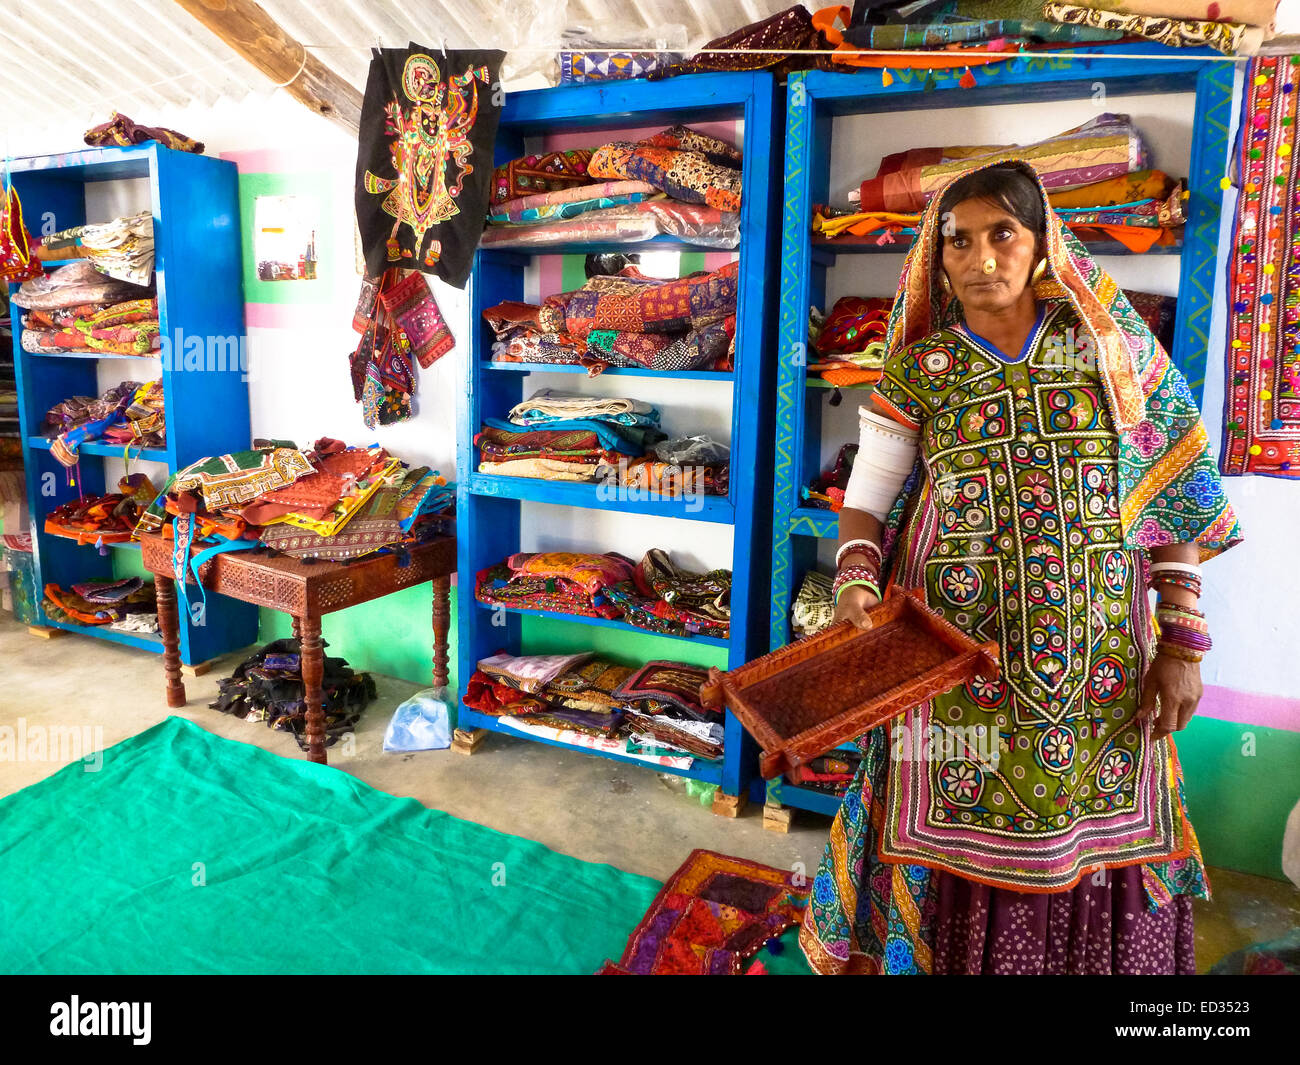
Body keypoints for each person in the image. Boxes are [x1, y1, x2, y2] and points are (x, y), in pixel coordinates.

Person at [800, 159, 1241, 975]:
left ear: (1041, 243)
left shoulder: (1109, 352)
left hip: (1098, 665)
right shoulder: (922, 371)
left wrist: (1181, 645)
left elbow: (1172, 491)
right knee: (950, 810)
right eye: (957, 240)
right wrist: (858, 571)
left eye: (1001, 233)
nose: (979, 258)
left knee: (1090, 828)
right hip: (958, 659)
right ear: (937, 256)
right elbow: (867, 498)